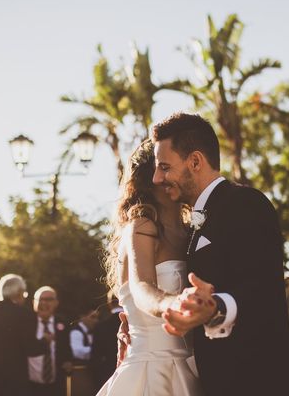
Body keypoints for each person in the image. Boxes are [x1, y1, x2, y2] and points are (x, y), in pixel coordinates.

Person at [150, 112, 289, 396]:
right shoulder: (192, 222)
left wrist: (216, 306)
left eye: (165, 167)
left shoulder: (246, 203)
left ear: (195, 161)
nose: (158, 178)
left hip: (258, 379)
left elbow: (264, 287)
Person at [96, 138, 202, 395]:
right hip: (151, 370)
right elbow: (142, 286)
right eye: (163, 168)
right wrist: (174, 305)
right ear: (149, 176)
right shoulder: (142, 226)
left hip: (192, 366)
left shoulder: (191, 231)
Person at [0, 274, 52, 396]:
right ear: (19, 292)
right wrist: (46, 340)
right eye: (24, 293)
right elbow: (31, 349)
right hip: (11, 382)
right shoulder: (24, 314)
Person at [28, 286, 73, 396]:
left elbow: (67, 350)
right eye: (40, 299)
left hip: (56, 386)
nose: (44, 303)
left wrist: (68, 362)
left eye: (48, 300)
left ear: (56, 303)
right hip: (30, 387)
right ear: (34, 302)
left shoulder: (62, 323)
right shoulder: (26, 324)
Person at [90, 291, 123, 391]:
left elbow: (95, 358)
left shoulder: (101, 326)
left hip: (107, 378)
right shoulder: (134, 325)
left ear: (109, 303)